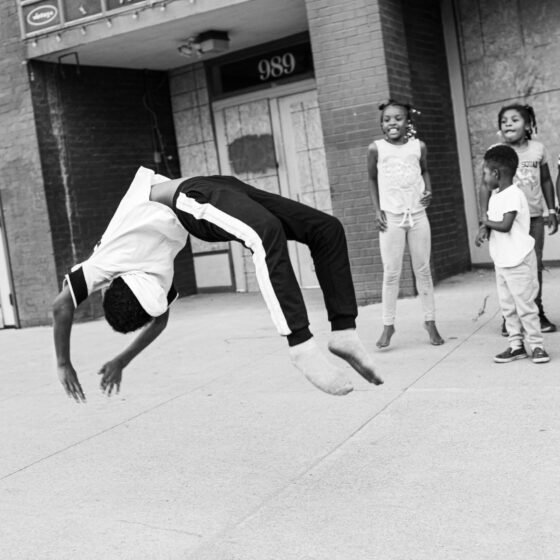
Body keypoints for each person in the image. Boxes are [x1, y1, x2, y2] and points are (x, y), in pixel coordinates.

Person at [53, 167, 383, 402]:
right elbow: (160, 319)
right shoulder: (155, 288)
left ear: (121, 282)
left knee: (323, 229)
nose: (157, 290)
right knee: (278, 231)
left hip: (194, 194)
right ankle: (321, 340)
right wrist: (123, 359)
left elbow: (61, 306)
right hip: (203, 195)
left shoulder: (106, 261)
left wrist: (64, 363)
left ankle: (326, 337)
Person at [367, 99, 444, 349]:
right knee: (391, 273)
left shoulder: (418, 146)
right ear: (381, 123)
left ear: (407, 121)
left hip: (418, 215)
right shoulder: (376, 148)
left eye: (398, 118)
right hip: (392, 217)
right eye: (387, 119)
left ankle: (430, 322)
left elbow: (425, 171)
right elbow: (371, 179)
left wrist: (429, 190)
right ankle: (388, 325)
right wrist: (377, 210)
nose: (392, 123)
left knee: (423, 270)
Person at [478, 104, 558, 336]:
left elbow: (545, 180)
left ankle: (536, 311)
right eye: (504, 121)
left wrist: (551, 210)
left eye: (515, 120)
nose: (508, 124)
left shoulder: (538, 149)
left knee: (533, 267)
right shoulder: (496, 151)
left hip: (532, 219)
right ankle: (509, 317)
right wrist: (484, 219)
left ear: (529, 125)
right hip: (504, 221)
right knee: (506, 267)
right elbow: (485, 184)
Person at [475, 145, 550, 364]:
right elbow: (494, 221)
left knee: (525, 305)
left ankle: (537, 346)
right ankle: (516, 345)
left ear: (496, 173)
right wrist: (484, 230)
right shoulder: (496, 196)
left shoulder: (514, 195)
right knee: (508, 307)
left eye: (485, 173)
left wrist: (485, 222)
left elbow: (506, 225)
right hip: (502, 260)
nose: (484, 177)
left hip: (518, 259)